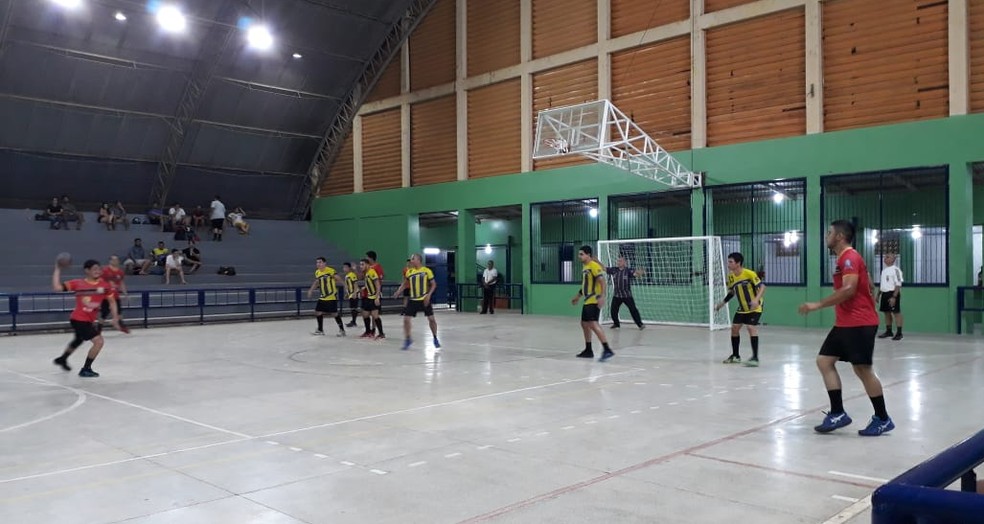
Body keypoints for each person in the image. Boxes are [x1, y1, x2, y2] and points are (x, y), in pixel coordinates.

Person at [799, 220, 894, 436]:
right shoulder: (846, 259)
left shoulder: (850, 257)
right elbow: (867, 284)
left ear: (840, 236)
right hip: (845, 323)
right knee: (824, 360)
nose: (827, 236)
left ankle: (882, 418)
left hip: (859, 323)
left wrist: (818, 305)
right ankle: (838, 412)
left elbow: (849, 289)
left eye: (829, 232)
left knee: (863, 370)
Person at [51, 258, 122, 378]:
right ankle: (86, 369)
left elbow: (112, 301)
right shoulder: (78, 283)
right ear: (87, 271)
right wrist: (57, 269)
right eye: (94, 269)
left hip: (88, 320)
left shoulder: (105, 285)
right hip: (78, 319)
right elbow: (57, 288)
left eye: (99, 269)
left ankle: (62, 359)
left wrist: (115, 317)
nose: (98, 271)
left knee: (78, 340)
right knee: (99, 342)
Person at [715, 252, 766, 367]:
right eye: (728, 261)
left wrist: (756, 299)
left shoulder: (749, 274)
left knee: (751, 327)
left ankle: (755, 358)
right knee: (734, 328)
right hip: (742, 308)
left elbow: (762, 286)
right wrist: (722, 303)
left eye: (730, 262)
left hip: (755, 306)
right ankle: (736, 356)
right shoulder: (731, 277)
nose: (728, 264)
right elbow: (732, 292)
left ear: (738, 263)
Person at [572, 245, 614, 362]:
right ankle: (588, 350)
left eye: (581, 254)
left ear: (588, 255)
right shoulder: (585, 267)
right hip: (587, 300)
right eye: (579, 254)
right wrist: (578, 296)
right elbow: (585, 285)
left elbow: (602, 281)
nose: (579, 256)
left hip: (594, 300)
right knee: (584, 323)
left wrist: (602, 295)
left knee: (593, 324)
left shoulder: (593, 266)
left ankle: (607, 349)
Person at [393, 254, 439, 350]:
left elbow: (433, 284)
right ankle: (408, 339)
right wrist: (398, 291)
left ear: (418, 260)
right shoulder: (409, 272)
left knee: (431, 319)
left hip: (424, 299)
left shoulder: (426, 271)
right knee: (406, 320)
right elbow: (405, 284)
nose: (411, 260)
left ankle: (435, 337)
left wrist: (429, 295)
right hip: (413, 299)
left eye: (413, 259)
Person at [307, 257, 346, 337]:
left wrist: (345, 286)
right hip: (323, 296)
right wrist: (311, 290)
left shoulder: (330, 270)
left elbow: (338, 278)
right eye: (317, 262)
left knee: (334, 313)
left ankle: (342, 330)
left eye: (320, 262)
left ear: (325, 263)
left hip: (331, 296)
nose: (318, 264)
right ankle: (320, 330)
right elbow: (317, 282)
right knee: (318, 312)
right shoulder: (317, 272)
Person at [606, 256, 645, 330]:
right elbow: (604, 269)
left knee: (633, 310)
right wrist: (597, 261)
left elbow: (635, 274)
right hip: (617, 295)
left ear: (624, 263)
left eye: (620, 261)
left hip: (627, 295)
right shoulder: (614, 270)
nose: (618, 262)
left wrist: (640, 272)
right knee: (613, 310)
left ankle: (640, 324)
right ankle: (616, 324)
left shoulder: (628, 271)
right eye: (618, 261)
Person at [876, 253, 904, 341]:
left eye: (888, 257)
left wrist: (894, 297)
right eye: (885, 257)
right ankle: (889, 331)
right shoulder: (884, 271)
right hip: (884, 293)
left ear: (893, 259)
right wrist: (878, 295)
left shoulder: (896, 270)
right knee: (886, 312)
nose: (885, 258)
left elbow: (898, 284)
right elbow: (882, 284)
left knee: (896, 312)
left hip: (892, 293)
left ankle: (899, 333)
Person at [100, 255, 130, 333]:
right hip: (106, 296)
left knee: (119, 312)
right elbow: (100, 282)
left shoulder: (120, 272)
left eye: (117, 260)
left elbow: (121, 283)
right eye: (114, 260)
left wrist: (125, 293)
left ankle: (122, 326)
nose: (116, 261)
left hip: (116, 295)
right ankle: (98, 329)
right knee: (104, 313)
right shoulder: (105, 270)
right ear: (110, 261)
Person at [360, 258, 385, 339]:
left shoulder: (371, 272)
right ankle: (368, 332)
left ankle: (381, 333)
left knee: (375, 315)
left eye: (362, 264)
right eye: (360, 264)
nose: (361, 266)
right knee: (365, 314)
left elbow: (378, 285)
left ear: (367, 265)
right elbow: (370, 284)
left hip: (373, 297)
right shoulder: (366, 273)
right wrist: (364, 287)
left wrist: (377, 297)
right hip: (368, 297)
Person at [343, 262, 360, 328]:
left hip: (354, 294)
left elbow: (355, 284)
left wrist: (355, 293)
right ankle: (353, 321)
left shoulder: (352, 275)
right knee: (352, 308)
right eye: (343, 267)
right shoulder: (347, 276)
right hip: (350, 294)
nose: (344, 269)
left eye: (345, 267)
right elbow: (348, 286)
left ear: (349, 268)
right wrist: (347, 294)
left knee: (354, 308)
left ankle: (354, 321)